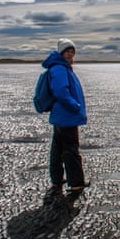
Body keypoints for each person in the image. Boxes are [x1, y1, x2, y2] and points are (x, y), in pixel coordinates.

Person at [42, 38, 89, 195]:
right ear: (61, 53)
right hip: (66, 115)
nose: (70, 54)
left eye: (72, 52)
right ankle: (76, 183)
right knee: (70, 149)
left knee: (58, 148)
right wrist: (74, 106)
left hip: (61, 116)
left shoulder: (62, 67)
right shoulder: (60, 69)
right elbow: (61, 92)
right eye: (67, 51)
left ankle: (57, 179)